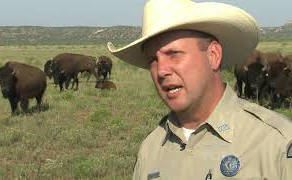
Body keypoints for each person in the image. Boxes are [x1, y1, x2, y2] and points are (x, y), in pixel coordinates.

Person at [107, 0, 292, 179]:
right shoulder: (150, 149)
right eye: (153, 60)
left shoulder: (276, 143)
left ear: (213, 55)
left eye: (174, 54)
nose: (161, 70)